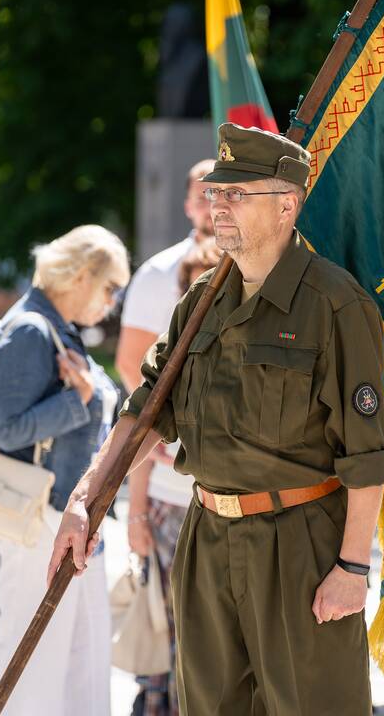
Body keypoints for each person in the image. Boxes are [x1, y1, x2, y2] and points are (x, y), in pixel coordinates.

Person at [51, 123, 384, 715]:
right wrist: (87, 497)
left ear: (286, 206)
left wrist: (353, 566)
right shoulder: (204, 296)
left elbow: (367, 452)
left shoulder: (334, 305)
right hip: (207, 535)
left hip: (300, 546)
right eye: (216, 192)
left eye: (238, 193)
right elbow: (148, 406)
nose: (219, 205)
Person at [0, 225, 130, 716]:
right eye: (109, 287)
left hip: (72, 517)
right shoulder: (29, 328)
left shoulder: (55, 326)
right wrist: (78, 400)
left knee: (77, 662)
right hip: (42, 516)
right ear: (82, 275)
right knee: (33, 660)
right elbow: (4, 428)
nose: (111, 302)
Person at [122, 236, 221, 716]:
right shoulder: (170, 356)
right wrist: (136, 512)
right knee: (167, 617)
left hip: (216, 506)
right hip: (168, 504)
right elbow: (140, 434)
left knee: (202, 626)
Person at [115, 159, 215, 390]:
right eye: (202, 199)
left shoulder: (255, 265)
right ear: (188, 206)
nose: (212, 207)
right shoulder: (158, 272)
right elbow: (130, 364)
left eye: (222, 195)